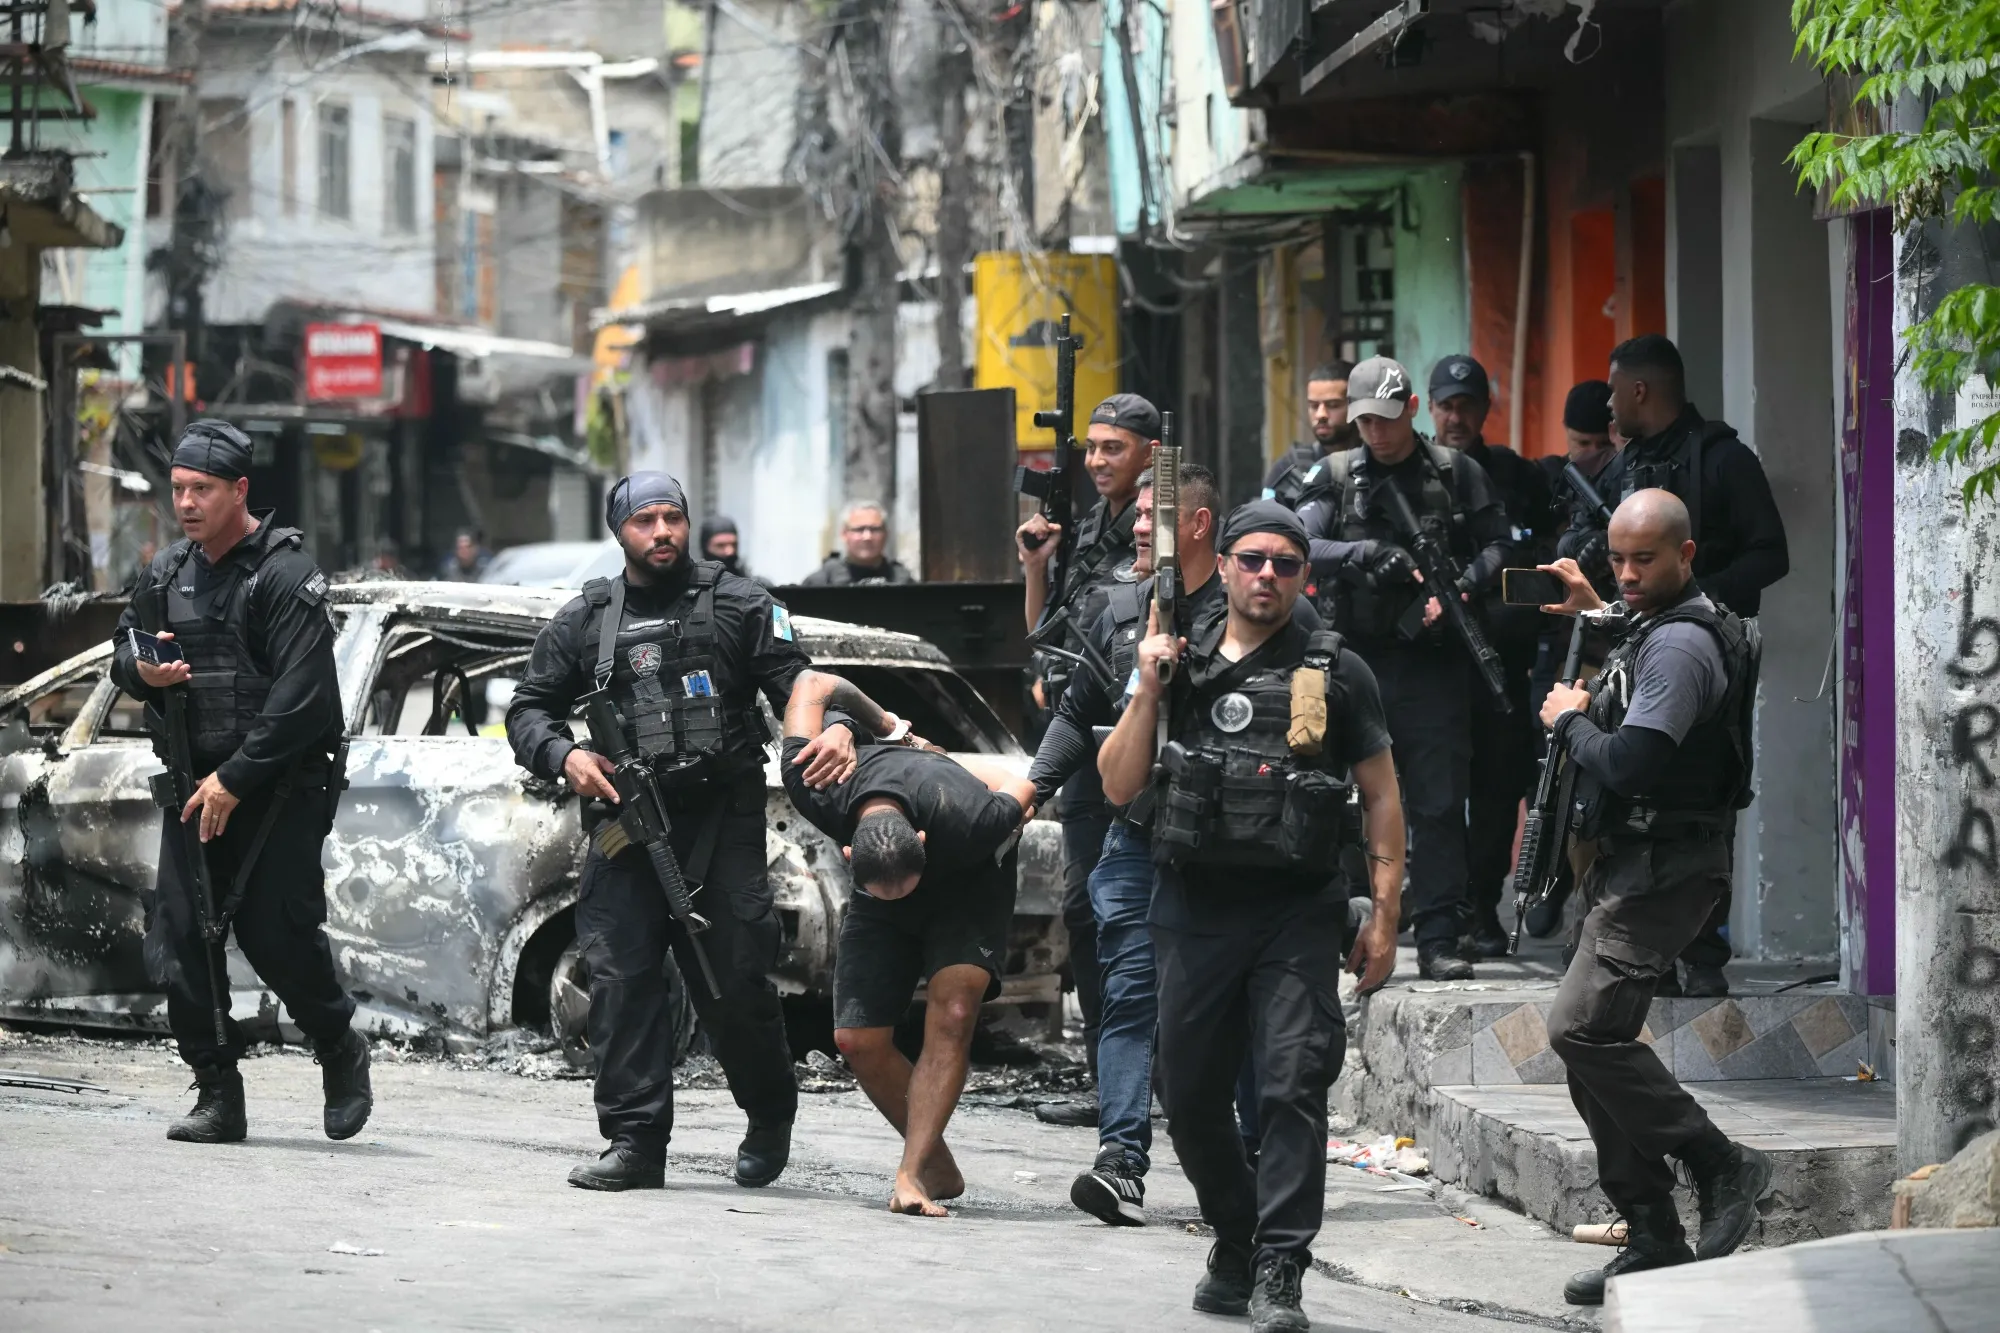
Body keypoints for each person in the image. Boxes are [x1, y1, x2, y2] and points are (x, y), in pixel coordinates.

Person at [505, 471, 861, 1191]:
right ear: (620, 532)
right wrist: (565, 754)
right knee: (620, 979)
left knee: (734, 979)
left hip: (719, 822)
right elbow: (527, 708)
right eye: (646, 520)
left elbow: (802, 688)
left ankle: (768, 1111)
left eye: (673, 517)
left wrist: (841, 729)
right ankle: (635, 1140)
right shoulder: (587, 619)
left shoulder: (741, 604)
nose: (662, 531)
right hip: (623, 827)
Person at [1099, 500, 1403, 1333]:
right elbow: (1119, 786)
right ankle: (1235, 1235)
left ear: (1304, 575)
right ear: (1224, 563)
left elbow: (1380, 796)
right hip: (1194, 906)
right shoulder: (1178, 658)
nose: (1268, 575)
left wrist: (1384, 911)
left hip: (1295, 911)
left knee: (1290, 1085)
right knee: (1188, 1095)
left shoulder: (1336, 669)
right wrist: (1145, 686)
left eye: (1287, 564)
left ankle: (1280, 1266)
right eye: (1254, 559)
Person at [1534, 490, 1772, 1306]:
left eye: (1645, 561)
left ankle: (1719, 1161)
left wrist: (1568, 721)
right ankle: (1653, 1232)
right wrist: (1596, 608)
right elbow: (1637, 638)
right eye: (1619, 560)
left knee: (1579, 1028)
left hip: (1664, 868)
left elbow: (1633, 761)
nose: (1628, 575)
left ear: (1687, 554)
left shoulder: (1681, 648)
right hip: (1632, 865)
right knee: (1588, 1051)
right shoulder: (1662, 623)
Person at [109, 419, 368, 1145]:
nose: (187, 503)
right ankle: (218, 1090)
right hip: (197, 787)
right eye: (179, 489)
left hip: (278, 788)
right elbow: (122, 649)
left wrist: (238, 777)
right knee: (182, 939)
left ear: (240, 491)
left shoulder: (283, 576)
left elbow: (303, 699)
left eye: (203, 490)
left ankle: (338, 1046)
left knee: (274, 935)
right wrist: (142, 670)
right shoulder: (167, 574)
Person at [1021, 463, 1242, 1221]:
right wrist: (1026, 791)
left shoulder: (1250, 611)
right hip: (1136, 836)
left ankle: (1238, 1162)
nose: (1139, 525)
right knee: (1126, 999)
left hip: (1228, 849)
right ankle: (1120, 1159)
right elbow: (1075, 711)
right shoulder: (1117, 610)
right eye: (1139, 513)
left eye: (1157, 514)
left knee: (1228, 1005)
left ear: (1202, 525)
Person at [1560, 335, 1790, 996]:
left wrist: (1693, 604)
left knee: (1704, 788)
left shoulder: (1722, 459)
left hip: (1707, 649)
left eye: (1612, 389)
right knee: (1628, 784)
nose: (1606, 404)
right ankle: (1636, 944)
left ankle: (1703, 952)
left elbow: (1770, 555)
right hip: (1639, 645)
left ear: (1639, 390)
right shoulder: (1631, 462)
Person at [777, 669, 1037, 1216]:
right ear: (848, 855)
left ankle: (912, 1172)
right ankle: (937, 1163)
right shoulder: (813, 782)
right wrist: (880, 725)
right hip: (890, 862)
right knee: (856, 1038)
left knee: (955, 1008)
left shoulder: (972, 820)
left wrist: (1007, 811)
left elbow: (1028, 785)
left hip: (969, 880)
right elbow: (811, 681)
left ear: (923, 843)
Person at [1296, 356, 1514, 980]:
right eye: (1364, 420)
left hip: (1431, 665)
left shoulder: (1454, 473)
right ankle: (1344, 925)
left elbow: (1501, 542)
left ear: (1412, 410)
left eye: (1387, 420)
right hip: (1352, 661)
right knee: (1333, 798)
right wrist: (1364, 551)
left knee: (1440, 803)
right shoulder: (1336, 475)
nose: (1376, 432)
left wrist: (1463, 588)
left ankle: (1442, 934)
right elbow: (1299, 544)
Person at [1015, 392, 1153, 1125]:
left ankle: (1155, 1076)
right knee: (1085, 906)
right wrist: (1036, 565)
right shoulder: (1089, 524)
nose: (1098, 460)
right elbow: (1046, 634)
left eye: (1114, 447)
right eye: (1092, 448)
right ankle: (1110, 1080)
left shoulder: (1161, 524)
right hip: (1083, 737)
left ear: (1150, 451)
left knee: (1142, 910)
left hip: (1141, 744)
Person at [1426, 354, 1556, 959]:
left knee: (1499, 789)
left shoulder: (1514, 475)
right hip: (1436, 662)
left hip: (1503, 660)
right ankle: (1444, 910)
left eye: (1467, 405)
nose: (1456, 416)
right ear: (1431, 408)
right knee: (1440, 792)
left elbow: (1543, 558)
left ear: (1483, 410)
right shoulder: (1414, 472)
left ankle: (1481, 906)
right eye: (1447, 405)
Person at [1522, 379, 1621, 941]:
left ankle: (1577, 893)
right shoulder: (1562, 484)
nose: (1581, 454)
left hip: (1611, 654)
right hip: (1565, 652)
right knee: (1552, 775)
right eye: (1574, 441)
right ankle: (1549, 877)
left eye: (1593, 442)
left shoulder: (1629, 487)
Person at [1260, 362, 1356, 500]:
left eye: (1333, 405)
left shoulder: (1378, 459)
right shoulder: (1288, 470)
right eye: (1314, 406)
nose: (1320, 414)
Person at [801, 501, 916, 585]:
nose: (867, 537)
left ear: (886, 534)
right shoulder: (822, 581)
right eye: (859, 530)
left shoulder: (902, 580)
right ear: (844, 534)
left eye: (874, 529)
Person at [700, 514, 772, 587]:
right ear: (706, 547)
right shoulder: (695, 586)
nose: (730, 551)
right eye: (721, 545)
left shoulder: (756, 585)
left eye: (734, 544)